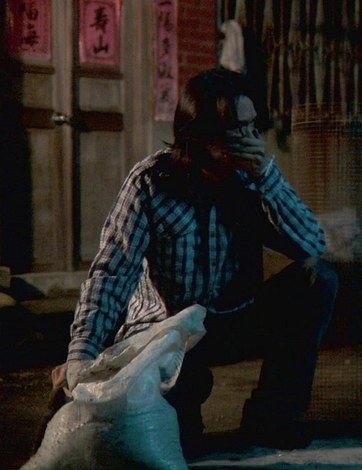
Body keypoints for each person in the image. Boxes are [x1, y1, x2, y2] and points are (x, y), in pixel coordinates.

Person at [55, 67, 338, 453]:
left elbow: (312, 244)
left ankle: (273, 417)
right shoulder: (151, 183)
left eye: (253, 126)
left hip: (234, 318)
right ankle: (186, 396)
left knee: (318, 278)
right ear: (203, 135)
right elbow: (112, 272)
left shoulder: (251, 180)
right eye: (239, 128)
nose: (252, 138)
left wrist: (268, 177)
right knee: (174, 441)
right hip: (168, 333)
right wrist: (81, 354)